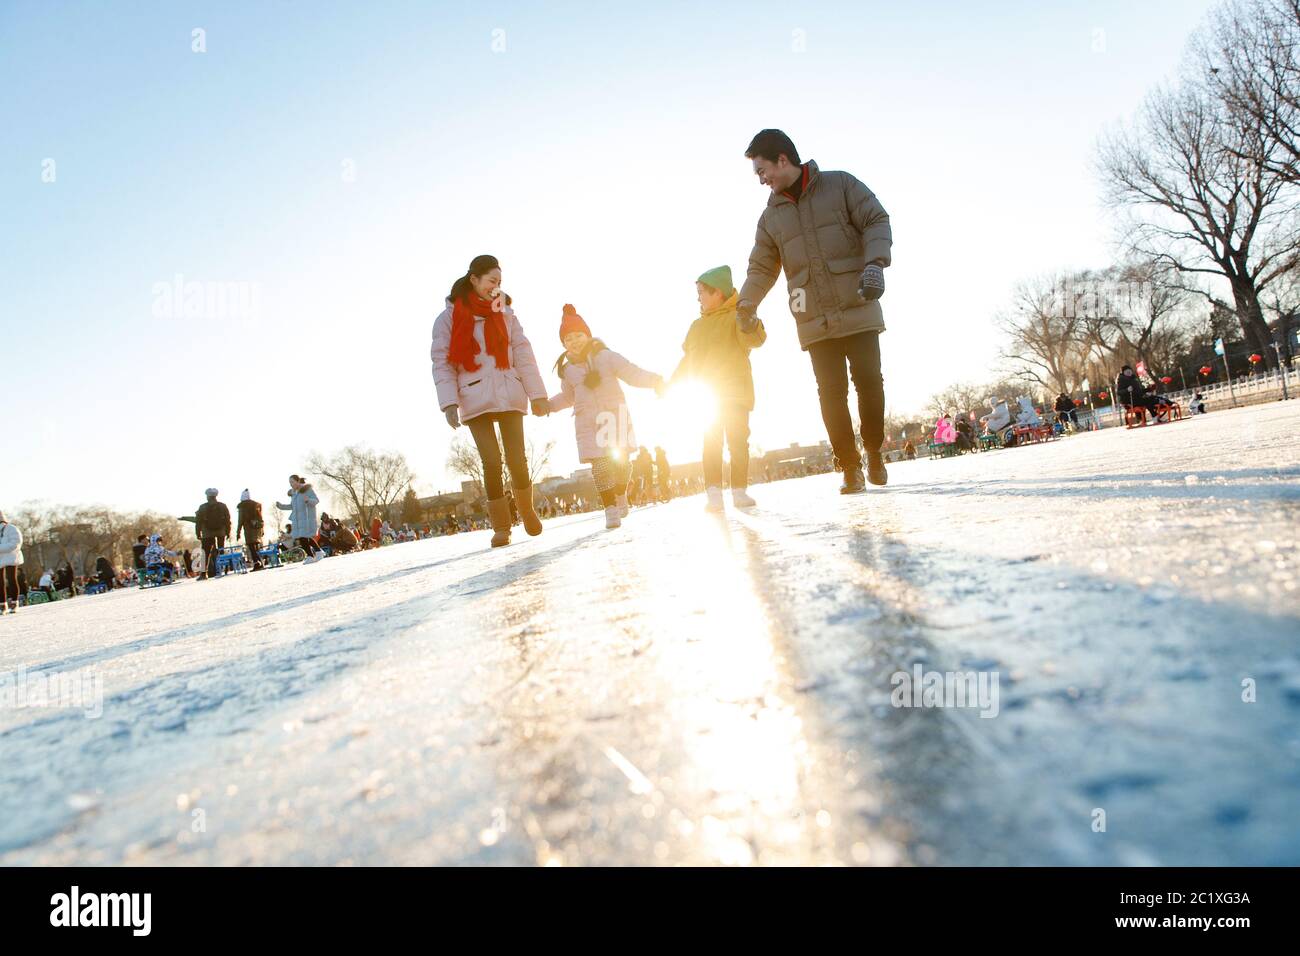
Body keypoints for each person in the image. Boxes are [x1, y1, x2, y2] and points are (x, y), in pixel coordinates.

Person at [736, 129, 893, 494]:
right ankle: (849, 466)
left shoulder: (840, 185)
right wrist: (746, 302)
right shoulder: (770, 218)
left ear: (782, 159)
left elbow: (876, 220)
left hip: (857, 299)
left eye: (763, 171)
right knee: (830, 391)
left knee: (869, 381)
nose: (762, 180)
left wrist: (875, 263)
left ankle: (872, 450)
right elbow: (761, 268)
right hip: (812, 315)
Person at [432, 254, 549, 548]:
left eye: (499, 282)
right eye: (491, 281)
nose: (495, 287)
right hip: (473, 393)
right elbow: (442, 362)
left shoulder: (506, 313)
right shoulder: (448, 318)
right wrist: (448, 403)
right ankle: (501, 526)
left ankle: (527, 510)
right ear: (474, 280)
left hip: (509, 391)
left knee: (517, 458)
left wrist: (537, 394)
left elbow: (523, 353)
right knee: (491, 461)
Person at [547, 304, 665, 530]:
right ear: (563, 344)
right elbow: (567, 397)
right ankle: (610, 508)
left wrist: (655, 381)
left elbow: (632, 373)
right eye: (568, 338)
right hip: (588, 424)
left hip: (614, 418)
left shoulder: (606, 357)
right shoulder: (568, 371)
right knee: (600, 468)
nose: (574, 341)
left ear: (588, 335)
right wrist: (549, 406)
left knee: (622, 465)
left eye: (578, 335)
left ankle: (621, 493)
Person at [671, 265, 767, 512]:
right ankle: (713, 492)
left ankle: (739, 490)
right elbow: (687, 361)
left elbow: (755, 340)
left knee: (737, 442)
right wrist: (672, 383)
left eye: (702, 292)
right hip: (708, 396)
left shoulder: (737, 316)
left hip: (735, 393)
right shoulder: (696, 327)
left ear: (718, 293)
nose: (699, 298)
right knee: (711, 442)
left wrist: (751, 322)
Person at [277, 475, 323, 563]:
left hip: (307, 517)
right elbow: (292, 506)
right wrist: (281, 506)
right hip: (297, 519)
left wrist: (308, 500)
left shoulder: (307, 490)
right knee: (304, 538)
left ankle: (313, 554)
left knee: (304, 537)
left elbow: (316, 500)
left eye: (293, 482)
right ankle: (316, 553)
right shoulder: (294, 494)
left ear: (298, 481)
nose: (291, 484)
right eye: (290, 483)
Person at [194, 488, 232, 580]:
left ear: (207, 496)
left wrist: (198, 533)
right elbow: (228, 520)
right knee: (221, 550)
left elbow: (198, 521)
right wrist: (228, 531)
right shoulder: (223, 506)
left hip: (207, 532)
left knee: (205, 552)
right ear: (216, 496)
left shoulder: (202, 507)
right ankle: (223, 569)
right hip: (220, 531)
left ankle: (204, 573)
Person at [0, 510, 24, 614]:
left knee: (12, 579)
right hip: (1, 558)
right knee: (0, 582)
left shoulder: (11, 529)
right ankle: (2, 605)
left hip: (11, 557)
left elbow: (16, 543)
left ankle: (14, 603)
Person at [236, 489, 266, 570]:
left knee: (251, 546)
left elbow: (240, 520)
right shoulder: (256, 505)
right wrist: (262, 529)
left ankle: (257, 563)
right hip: (257, 527)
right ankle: (260, 563)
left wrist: (238, 532)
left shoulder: (242, 506)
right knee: (256, 546)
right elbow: (260, 518)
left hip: (249, 528)